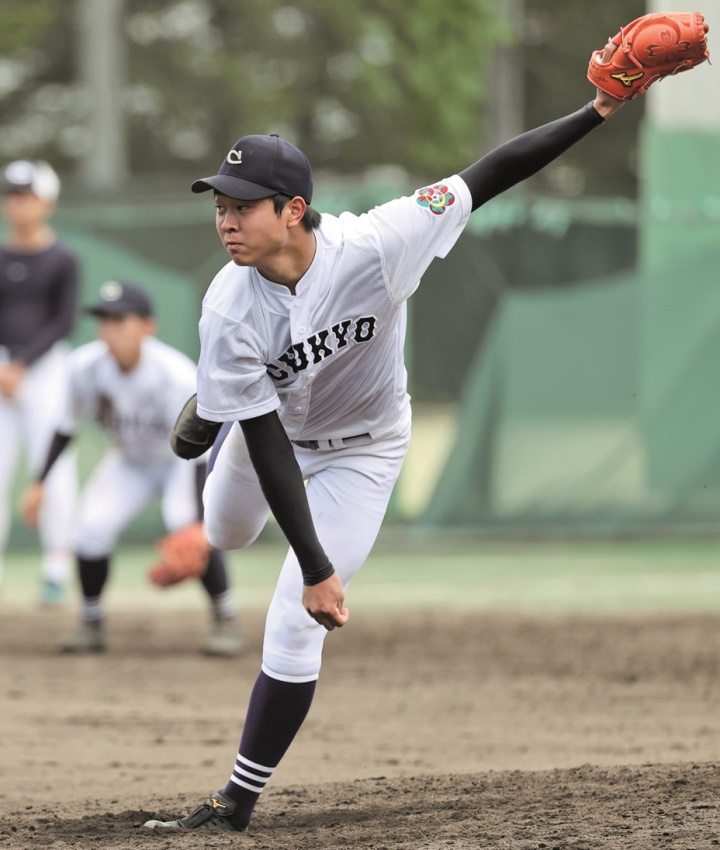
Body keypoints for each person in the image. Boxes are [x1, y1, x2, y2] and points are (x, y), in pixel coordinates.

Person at [145, 40, 651, 834]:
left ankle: (235, 802)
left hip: (363, 446)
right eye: (220, 202)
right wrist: (309, 554)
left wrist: (599, 110)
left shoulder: (383, 242)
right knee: (224, 531)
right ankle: (219, 399)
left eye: (243, 204)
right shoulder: (228, 304)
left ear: (294, 211)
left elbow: (492, 171)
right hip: (270, 432)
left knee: (293, 618)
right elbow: (271, 445)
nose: (226, 218)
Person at [20, 279, 244, 656]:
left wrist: (196, 522)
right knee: (90, 527)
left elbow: (201, 450)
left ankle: (225, 618)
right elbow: (65, 427)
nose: (110, 328)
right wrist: (40, 482)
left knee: (186, 526)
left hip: (181, 461)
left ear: (147, 326)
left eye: (120, 319)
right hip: (130, 460)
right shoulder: (84, 367)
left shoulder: (173, 373)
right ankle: (91, 623)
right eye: (104, 319)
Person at [0, 160, 79, 604]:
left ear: (46, 202)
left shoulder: (62, 258)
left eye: (26, 195)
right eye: (12, 195)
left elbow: (62, 321)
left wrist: (22, 363)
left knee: (53, 468)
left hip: (46, 369)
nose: (18, 204)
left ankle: (54, 568)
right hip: (2, 371)